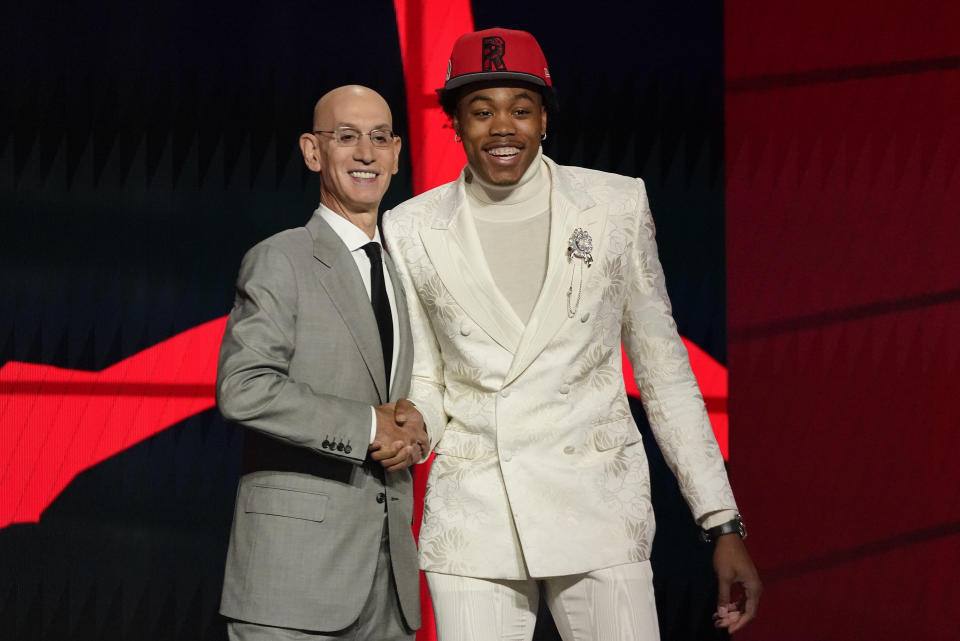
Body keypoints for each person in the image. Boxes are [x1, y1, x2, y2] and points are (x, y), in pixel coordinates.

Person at [383, 29, 762, 641]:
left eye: (521, 110)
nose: (502, 127)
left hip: (597, 508)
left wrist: (721, 522)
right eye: (481, 111)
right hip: (477, 515)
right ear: (455, 122)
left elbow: (664, 371)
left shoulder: (615, 205)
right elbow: (427, 375)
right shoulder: (411, 227)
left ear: (544, 119)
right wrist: (414, 425)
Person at [216, 85, 427, 641]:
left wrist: (416, 428)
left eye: (379, 138)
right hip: (293, 584)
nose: (365, 153)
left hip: (390, 589)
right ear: (313, 152)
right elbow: (244, 387)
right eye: (347, 137)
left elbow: (405, 394)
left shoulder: (406, 269)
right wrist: (364, 426)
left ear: (397, 154)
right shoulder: (280, 258)